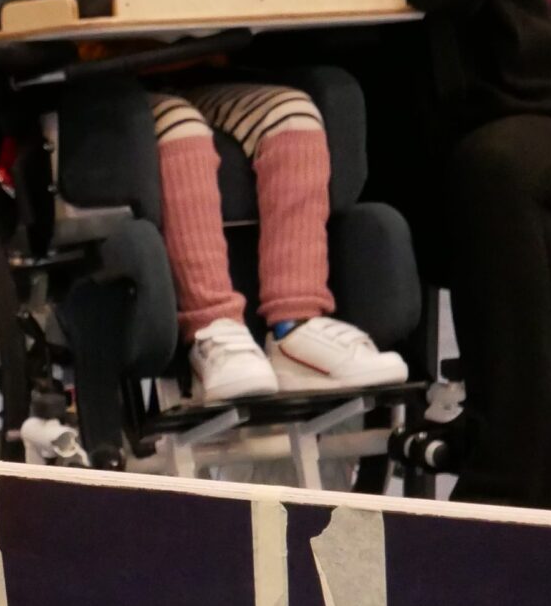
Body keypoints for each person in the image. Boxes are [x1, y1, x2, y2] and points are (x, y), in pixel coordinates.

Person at [345, 0, 551, 512]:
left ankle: (506, 486)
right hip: (417, 160)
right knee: (503, 207)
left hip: (540, 112)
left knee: (495, 176)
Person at [146, 83, 408, 402]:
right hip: (113, 75)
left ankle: (295, 326)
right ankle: (213, 330)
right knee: (179, 125)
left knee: (293, 115)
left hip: (203, 64)